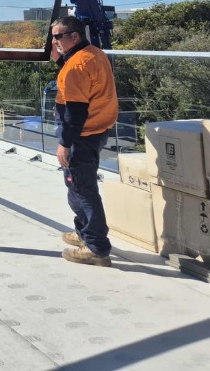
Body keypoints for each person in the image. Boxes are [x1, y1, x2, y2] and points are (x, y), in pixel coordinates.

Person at [50, 16, 119, 267]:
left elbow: (75, 112)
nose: (53, 41)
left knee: (82, 189)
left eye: (58, 36)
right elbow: (78, 81)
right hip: (98, 129)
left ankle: (96, 247)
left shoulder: (76, 66)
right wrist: (61, 60)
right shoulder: (93, 54)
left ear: (74, 36)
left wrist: (65, 143)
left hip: (82, 134)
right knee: (78, 186)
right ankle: (84, 233)